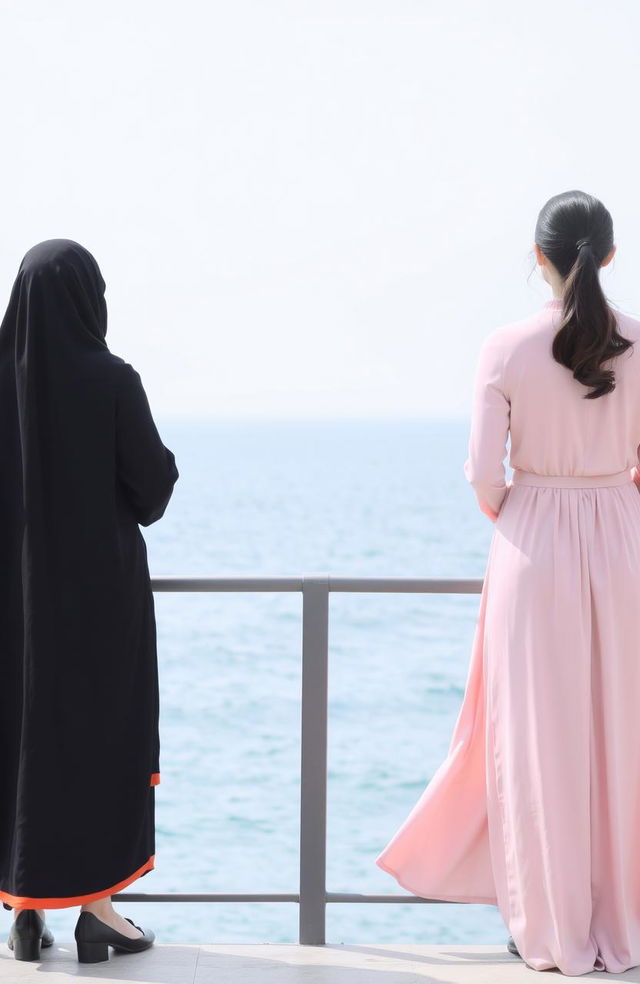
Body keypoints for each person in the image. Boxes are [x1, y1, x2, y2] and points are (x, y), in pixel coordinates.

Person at [375, 190, 640, 975]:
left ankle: (550, 929)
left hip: (534, 546)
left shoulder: (504, 348)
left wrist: (531, 518)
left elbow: (484, 478)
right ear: (612, 256)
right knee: (621, 736)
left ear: (539, 259)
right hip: (623, 540)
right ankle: (622, 921)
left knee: (537, 744)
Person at [0, 239, 179, 963]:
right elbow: (153, 488)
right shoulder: (111, 380)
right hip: (101, 607)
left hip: (12, 608)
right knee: (104, 745)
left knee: (17, 740)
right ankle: (98, 915)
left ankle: (21, 910)